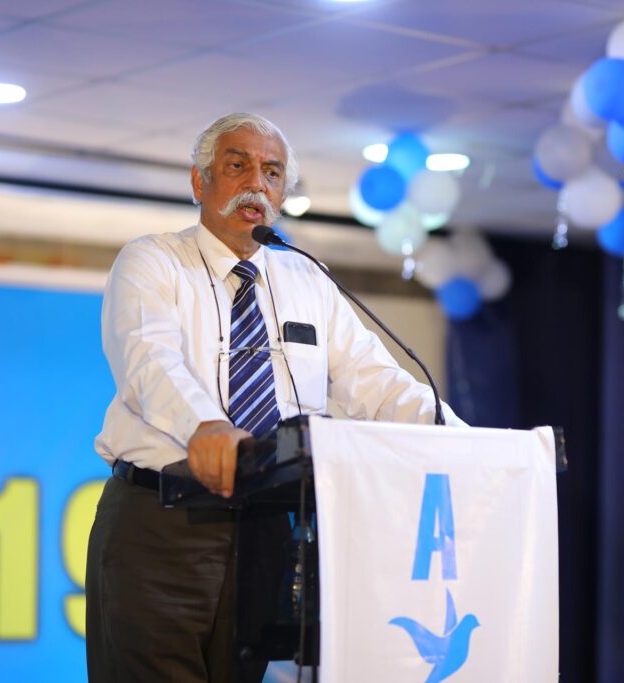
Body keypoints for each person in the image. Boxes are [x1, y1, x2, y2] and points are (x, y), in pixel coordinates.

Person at [85, 112, 464, 683]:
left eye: (271, 173)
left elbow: (374, 381)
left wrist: (458, 436)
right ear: (200, 182)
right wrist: (205, 427)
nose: (255, 185)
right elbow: (149, 361)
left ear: (283, 193)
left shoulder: (308, 280)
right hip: (161, 527)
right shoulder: (153, 261)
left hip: (268, 528)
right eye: (237, 167)